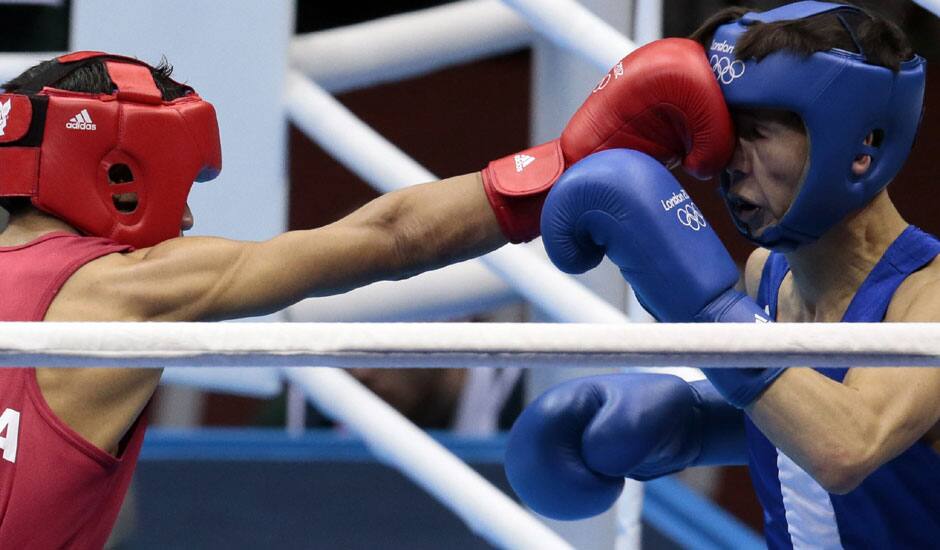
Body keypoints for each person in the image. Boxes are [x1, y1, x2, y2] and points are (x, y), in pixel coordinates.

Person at [0, 42, 732, 546]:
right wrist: (570, 161)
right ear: (119, 170)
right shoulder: (120, 295)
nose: (187, 218)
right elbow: (393, 237)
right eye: (182, 189)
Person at [504, 2, 940, 547]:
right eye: (724, 133)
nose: (727, 160)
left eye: (756, 132)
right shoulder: (768, 275)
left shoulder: (929, 298)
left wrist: (709, 316)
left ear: (861, 146)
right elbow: (811, 414)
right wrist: (692, 424)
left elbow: (848, 445)